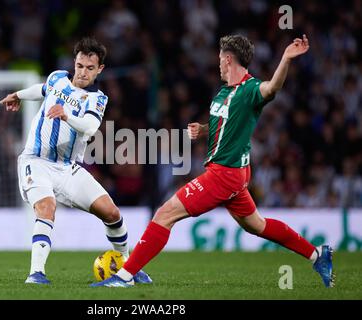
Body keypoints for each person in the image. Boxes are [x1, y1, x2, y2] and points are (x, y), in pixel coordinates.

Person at [91, 34, 335, 288]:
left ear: (228, 59)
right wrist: (204, 129)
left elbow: (272, 88)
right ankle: (317, 254)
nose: (218, 63)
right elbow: (226, 124)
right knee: (257, 225)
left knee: (164, 214)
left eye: (220, 58)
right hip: (234, 174)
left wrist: (285, 58)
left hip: (224, 174)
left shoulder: (250, 90)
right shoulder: (222, 93)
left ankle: (125, 276)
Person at [0, 37, 151, 285]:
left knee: (112, 213)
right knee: (46, 207)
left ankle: (129, 267)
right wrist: (17, 94)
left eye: (89, 68)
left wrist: (66, 116)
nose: (82, 72)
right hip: (35, 162)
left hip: (68, 168)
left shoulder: (97, 99)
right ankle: (36, 274)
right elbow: (42, 89)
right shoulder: (58, 77)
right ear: (75, 62)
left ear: (100, 69)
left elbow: (90, 127)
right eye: (80, 65)